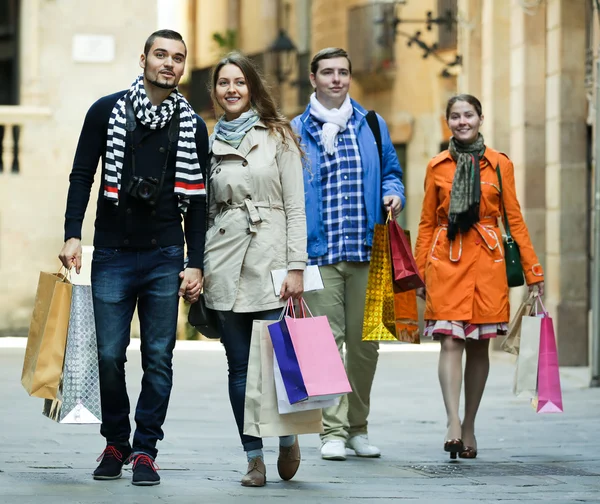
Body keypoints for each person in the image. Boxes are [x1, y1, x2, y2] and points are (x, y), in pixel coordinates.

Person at [58, 29, 209, 486]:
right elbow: (82, 174)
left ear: (183, 66)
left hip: (166, 254)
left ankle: (145, 449)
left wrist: (195, 260)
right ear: (143, 58)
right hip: (113, 253)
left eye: (177, 58)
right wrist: (71, 235)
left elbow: (199, 200)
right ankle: (115, 441)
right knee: (108, 354)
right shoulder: (106, 111)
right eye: (161, 54)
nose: (169, 63)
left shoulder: (191, 123)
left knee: (159, 356)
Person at [414, 94, 545, 460]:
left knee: (477, 346)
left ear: (480, 118)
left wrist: (534, 270)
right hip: (446, 260)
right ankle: (452, 421)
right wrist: (419, 268)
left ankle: (469, 424)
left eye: (468, 115)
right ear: (448, 122)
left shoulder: (500, 164)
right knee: (449, 342)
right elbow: (426, 223)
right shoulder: (436, 166)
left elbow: (514, 218)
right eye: (455, 116)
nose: (462, 122)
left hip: (488, 263)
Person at [291, 47, 405, 461]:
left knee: (367, 344)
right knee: (323, 343)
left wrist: (394, 193)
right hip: (319, 253)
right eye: (327, 72)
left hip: (371, 254)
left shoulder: (373, 124)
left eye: (343, 71)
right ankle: (332, 431)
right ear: (314, 79)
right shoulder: (294, 130)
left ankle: (359, 428)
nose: (336, 79)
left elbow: (392, 171)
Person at [202, 52, 307, 487]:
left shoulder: (279, 135)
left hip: (271, 261)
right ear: (215, 91)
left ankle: (285, 440)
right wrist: (198, 266)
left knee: (276, 362)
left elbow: (296, 207)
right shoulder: (206, 140)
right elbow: (203, 210)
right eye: (224, 83)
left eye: (239, 82)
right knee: (240, 367)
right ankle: (253, 458)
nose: (231, 89)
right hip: (224, 260)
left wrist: (296, 266)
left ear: (252, 88)